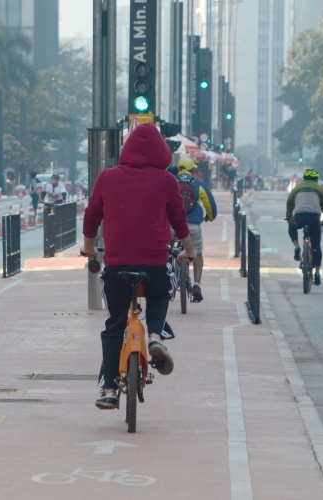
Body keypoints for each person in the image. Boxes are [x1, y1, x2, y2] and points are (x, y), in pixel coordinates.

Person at [81, 123, 196, 410]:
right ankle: (156, 336)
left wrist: (89, 247)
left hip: (116, 266)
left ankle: (108, 388)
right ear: (161, 152)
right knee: (160, 292)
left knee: (114, 325)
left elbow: (92, 214)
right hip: (155, 262)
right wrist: (189, 250)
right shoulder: (166, 181)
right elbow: (179, 219)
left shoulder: (107, 177)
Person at [176, 157, 217, 302]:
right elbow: (210, 204)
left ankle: (167, 275)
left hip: (172, 225)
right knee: (198, 253)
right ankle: (197, 285)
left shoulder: (170, 182)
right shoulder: (198, 184)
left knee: (165, 248)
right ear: (193, 170)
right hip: (193, 225)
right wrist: (210, 217)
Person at [286, 169, 323, 285]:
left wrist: (288, 217)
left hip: (299, 217)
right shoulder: (319, 189)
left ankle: (296, 246)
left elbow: (289, 203)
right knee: (316, 245)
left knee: (291, 226)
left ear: (304, 178)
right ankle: (317, 272)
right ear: (316, 179)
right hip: (314, 218)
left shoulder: (297, 188)